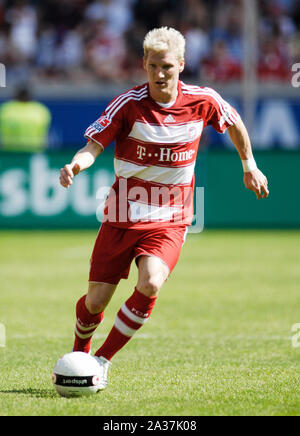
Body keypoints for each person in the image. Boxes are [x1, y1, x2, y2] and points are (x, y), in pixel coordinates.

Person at [59, 27, 269, 390]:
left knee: (152, 281)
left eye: (167, 67)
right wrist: (76, 165)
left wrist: (248, 164)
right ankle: (79, 354)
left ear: (182, 65)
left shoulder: (204, 100)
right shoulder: (127, 104)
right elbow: (93, 146)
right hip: (122, 213)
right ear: (143, 64)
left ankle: (101, 361)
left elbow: (234, 123)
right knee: (95, 302)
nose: (160, 74)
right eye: (153, 65)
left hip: (170, 217)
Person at [0, 85, 51, 152]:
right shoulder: (40, 110)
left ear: (16, 95)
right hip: (34, 152)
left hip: (9, 153)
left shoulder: (5, 109)